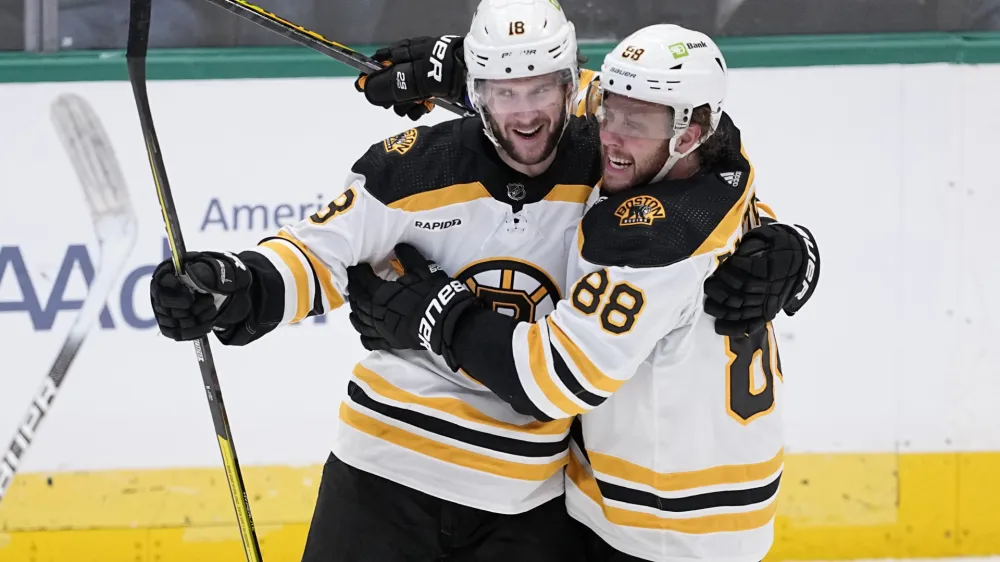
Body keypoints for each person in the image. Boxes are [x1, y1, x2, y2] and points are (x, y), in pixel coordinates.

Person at [149, 2, 816, 560]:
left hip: (527, 502)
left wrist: (791, 250)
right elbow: (315, 254)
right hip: (385, 471)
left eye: (540, 90)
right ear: (473, 91)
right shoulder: (413, 167)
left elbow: (695, 171)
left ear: (570, 87)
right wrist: (235, 285)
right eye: (502, 92)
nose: (524, 115)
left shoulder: (611, 172)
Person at [346, 23, 817, 562]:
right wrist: (476, 69)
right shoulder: (721, 172)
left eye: (633, 123)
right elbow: (614, 99)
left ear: (689, 134)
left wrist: (431, 313)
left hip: (662, 523)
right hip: (700, 502)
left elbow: (553, 380)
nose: (609, 134)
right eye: (608, 114)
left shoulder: (649, 239)